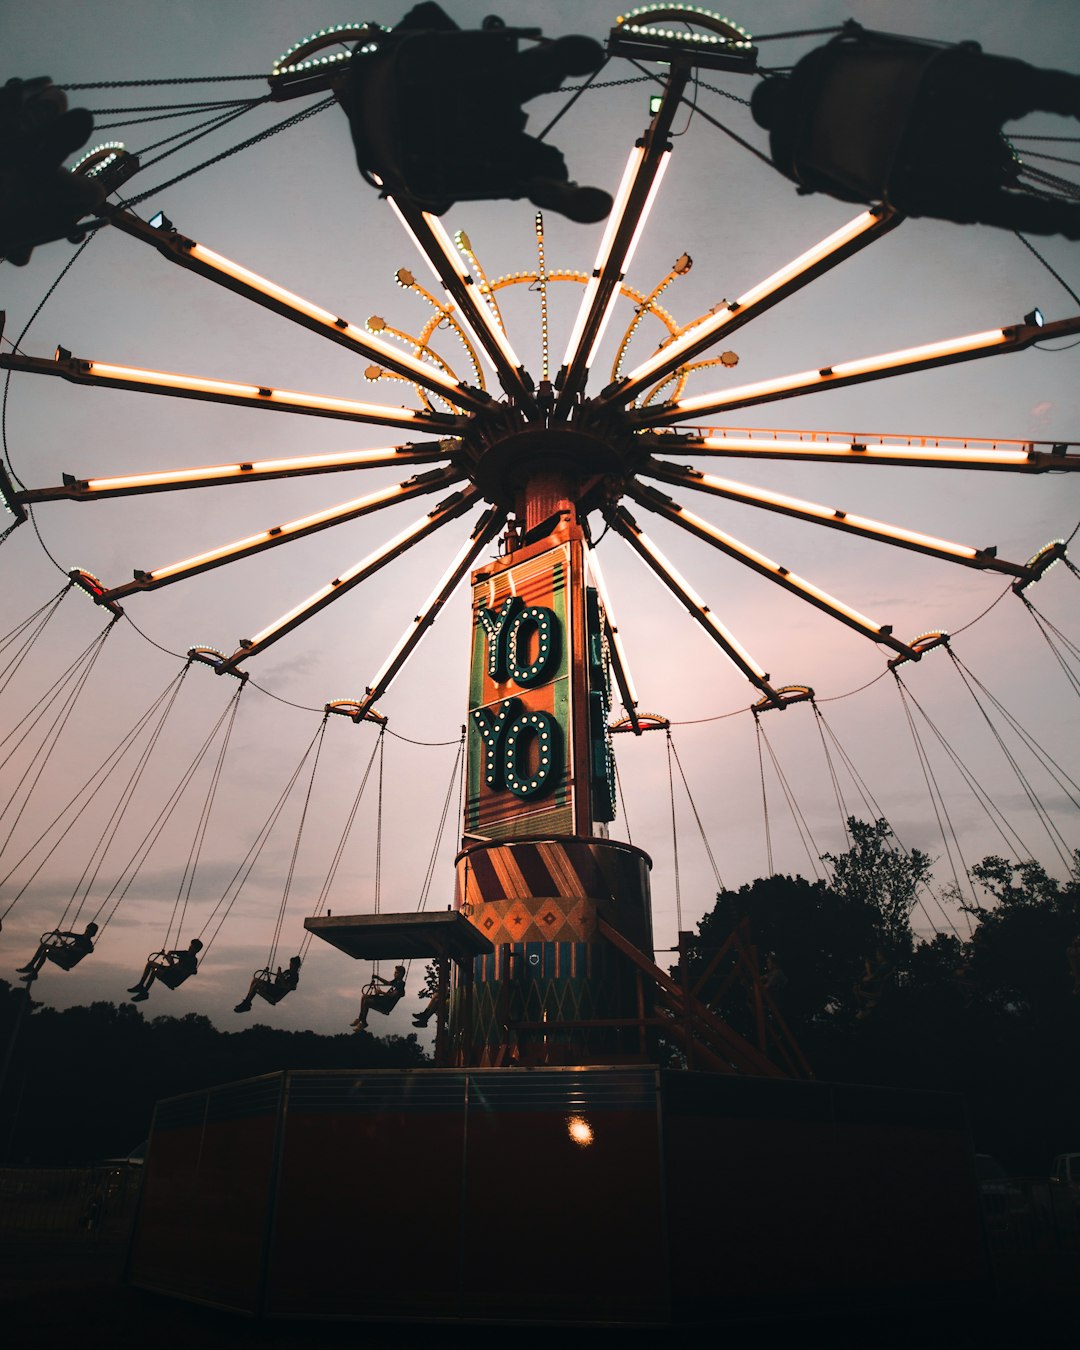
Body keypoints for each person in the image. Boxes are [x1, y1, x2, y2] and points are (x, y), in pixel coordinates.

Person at [750, 23, 1080, 239]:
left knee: (996, 208)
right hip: (934, 91)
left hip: (912, 169)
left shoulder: (785, 151)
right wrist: (954, 58)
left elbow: (841, 188)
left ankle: (1067, 220)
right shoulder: (812, 66)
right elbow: (869, 46)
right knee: (1037, 88)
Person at [341, 3, 613, 223]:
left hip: (408, 90)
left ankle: (545, 63)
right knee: (497, 91)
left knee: (487, 75)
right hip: (424, 152)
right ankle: (547, 184)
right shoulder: (495, 145)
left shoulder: (446, 47)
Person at [17, 921, 98, 980]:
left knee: (46, 952)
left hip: (67, 960)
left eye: (89, 932)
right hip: (64, 954)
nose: (86, 933)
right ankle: (30, 966)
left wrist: (68, 946)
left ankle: (34, 973)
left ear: (92, 934)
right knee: (43, 946)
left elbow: (80, 950)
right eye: (87, 930)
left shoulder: (88, 944)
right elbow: (70, 934)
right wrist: (60, 933)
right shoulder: (80, 937)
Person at [128, 937, 202, 1002]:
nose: (189, 947)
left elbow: (192, 971)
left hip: (173, 978)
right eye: (190, 946)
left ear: (196, 950)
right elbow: (171, 952)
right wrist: (169, 958)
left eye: (192, 947)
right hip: (169, 971)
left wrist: (191, 971)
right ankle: (141, 985)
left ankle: (144, 993)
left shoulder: (193, 960)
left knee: (154, 971)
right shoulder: (185, 953)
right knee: (150, 964)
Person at [234, 955, 301, 1013]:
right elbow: (277, 981)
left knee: (256, 986)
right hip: (273, 988)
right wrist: (274, 976)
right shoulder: (287, 971)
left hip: (276, 993)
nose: (290, 965)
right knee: (255, 980)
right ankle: (247, 1002)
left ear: (296, 966)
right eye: (290, 964)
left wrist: (280, 975)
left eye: (292, 964)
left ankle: (246, 1004)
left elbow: (285, 987)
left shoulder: (294, 977)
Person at [352, 964, 406, 1029]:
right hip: (383, 1000)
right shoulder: (396, 981)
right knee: (364, 997)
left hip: (385, 1005)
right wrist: (378, 977)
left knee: (366, 1001)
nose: (394, 974)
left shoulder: (400, 984)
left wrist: (381, 992)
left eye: (396, 972)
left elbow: (393, 995)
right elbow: (387, 983)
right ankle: (360, 1018)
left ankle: (363, 1022)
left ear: (401, 974)